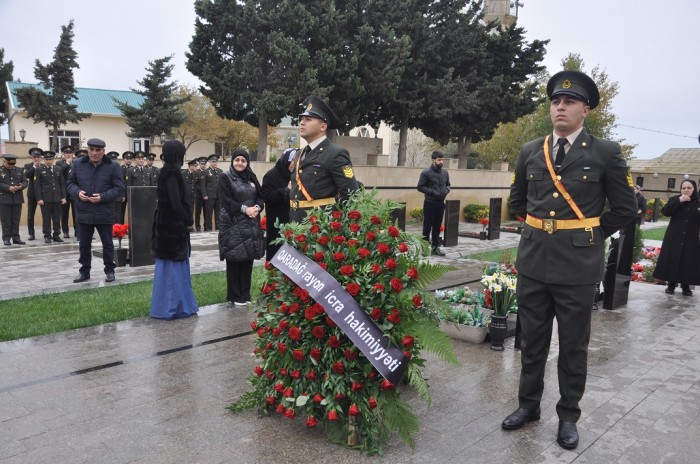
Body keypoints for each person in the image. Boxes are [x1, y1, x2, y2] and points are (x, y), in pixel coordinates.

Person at [505, 70, 637, 450]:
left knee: (573, 346)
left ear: (586, 110)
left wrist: (589, 236)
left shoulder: (605, 153)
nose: (560, 107)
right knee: (531, 341)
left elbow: (626, 208)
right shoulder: (531, 150)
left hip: (578, 267)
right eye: (555, 102)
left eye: (569, 102)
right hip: (533, 262)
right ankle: (528, 406)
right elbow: (518, 202)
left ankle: (568, 416)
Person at [289, 95, 359, 222]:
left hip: (319, 230)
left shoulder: (335, 154)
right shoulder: (299, 154)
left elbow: (350, 195)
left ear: (323, 127)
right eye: (302, 119)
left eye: (308, 119)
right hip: (295, 226)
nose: (302, 122)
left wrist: (335, 226)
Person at [150, 140, 199, 319]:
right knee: (172, 271)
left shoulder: (170, 172)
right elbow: (175, 202)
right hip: (172, 229)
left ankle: (179, 305)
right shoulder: (171, 173)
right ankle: (172, 307)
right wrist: (188, 220)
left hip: (169, 227)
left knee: (174, 269)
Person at [66, 138, 125, 283]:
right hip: (84, 211)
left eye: (98, 150)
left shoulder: (113, 166)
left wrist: (103, 197)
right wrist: (77, 192)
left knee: (107, 244)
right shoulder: (78, 164)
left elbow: (119, 188)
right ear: (88, 150)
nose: (94, 153)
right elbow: (70, 183)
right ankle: (84, 271)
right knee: (84, 244)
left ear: (103, 151)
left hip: (104, 211)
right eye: (91, 149)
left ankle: (110, 271)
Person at [218, 148, 265, 306]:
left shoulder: (251, 176)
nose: (240, 163)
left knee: (247, 260)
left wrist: (257, 208)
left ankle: (245, 295)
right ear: (232, 161)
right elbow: (225, 201)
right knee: (235, 259)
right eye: (237, 160)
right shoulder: (225, 177)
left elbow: (260, 195)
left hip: (250, 225)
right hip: (233, 225)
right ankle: (235, 296)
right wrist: (245, 209)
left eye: (243, 160)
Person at [652, 179, 700, 296]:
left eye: (689, 188)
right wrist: (680, 200)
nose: (686, 190)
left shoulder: (698, 202)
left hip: (691, 237)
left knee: (687, 261)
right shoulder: (675, 199)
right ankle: (671, 284)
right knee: (673, 259)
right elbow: (666, 212)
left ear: (694, 189)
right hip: (674, 236)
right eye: (683, 188)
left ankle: (686, 286)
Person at [261, 148, 296, 260]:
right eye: (293, 161)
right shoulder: (271, 175)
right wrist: (286, 190)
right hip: (277, 224)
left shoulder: (297, 174)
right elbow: (267, 197)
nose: (295, 164)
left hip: (294, 222)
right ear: (286, 160)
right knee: (277, 256)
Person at [417, 151, 450, 256]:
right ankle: (425, 249)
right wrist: (432, 192)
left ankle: (435, 248)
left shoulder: (445, 173)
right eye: (439, 160)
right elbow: (420, 187)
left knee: (437, 227)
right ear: (433, 160)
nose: (441, 162)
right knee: (427, 227)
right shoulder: (426, 173)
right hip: (430, 203)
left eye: (442, 159)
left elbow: (448, 185)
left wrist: (447, 190)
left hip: (440, 204)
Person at [34, 150, 67, 243]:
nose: (49, 161)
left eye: (50, 159)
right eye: (47, 159)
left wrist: (63, 197)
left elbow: (62, 184)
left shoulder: (58, 169)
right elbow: (37, 186)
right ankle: (47, 235)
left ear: (53, 159)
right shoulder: (39, 170)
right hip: (45, 199)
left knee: (57, 219)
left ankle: (56, 235)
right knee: (46, 219)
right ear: (44, 160)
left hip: (57, 198)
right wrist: (39, 198)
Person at [0, 154, 28, 245]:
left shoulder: (19, 170)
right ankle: (6, 238)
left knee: (16, 219)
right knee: (6, 220)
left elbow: (25, 181)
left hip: (17, 199)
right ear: (4, 161)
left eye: (13, 164)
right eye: (9, 164)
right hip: (4, 199)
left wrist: (21, 186)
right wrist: (8, 188)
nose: (11, 166)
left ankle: (16, 237)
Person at [23, 147, 44, 241]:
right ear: (32, 157)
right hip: (32, 194)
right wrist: (34, 167)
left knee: (46, 215)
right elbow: (26, 175)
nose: (36, 158)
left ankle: (46, 233)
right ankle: (31, 234)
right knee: (30, 215)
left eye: (38, 157)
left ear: (41, 157)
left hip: (43, 194)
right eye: (34, 157)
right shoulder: (28, 166)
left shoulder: (44, 166)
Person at [57, 146, 77, 238]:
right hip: (64, 192)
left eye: (70, 153)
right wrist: (67, 164)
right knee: (64, 213)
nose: (68, 154)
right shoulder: (59, 163)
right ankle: (65, 231)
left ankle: (78, 231)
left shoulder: (76, 163)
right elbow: (58, 173)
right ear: (63, 154)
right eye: (66, 153)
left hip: (75, 192)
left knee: (76, 213)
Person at [203, 154, 223, 231]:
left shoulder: (220, 171)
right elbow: (203, 184)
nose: (215, 163)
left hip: (218, 196)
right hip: (209, 196)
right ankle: (208, 229)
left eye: (216, 162)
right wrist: (204, 194)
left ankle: (218, 228)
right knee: (208, 213)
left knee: (218, 213)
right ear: (210, 162)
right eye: (213, 161)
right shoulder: (206, 171)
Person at [182, 159, 199, 224]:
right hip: (185, 196)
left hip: (192, 196)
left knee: (191, 211)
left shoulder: (195, 174)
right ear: (190, 166)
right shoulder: (184, 173)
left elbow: (196, 184)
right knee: (185, 210)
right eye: (195, 166)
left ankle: (190, 225)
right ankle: (184, 224)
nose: (196, 167)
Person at [194, 157, 208, 231]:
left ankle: (206, 226)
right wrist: (202, 191)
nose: (203, 165)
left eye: (204, 164)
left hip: (206, 196)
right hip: (199, 196)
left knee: (206, 212)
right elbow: (196, 184)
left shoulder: (207, 172)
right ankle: (198, 226)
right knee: (198, 212)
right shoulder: (196, 172)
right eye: (202, 164)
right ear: (199, 164)